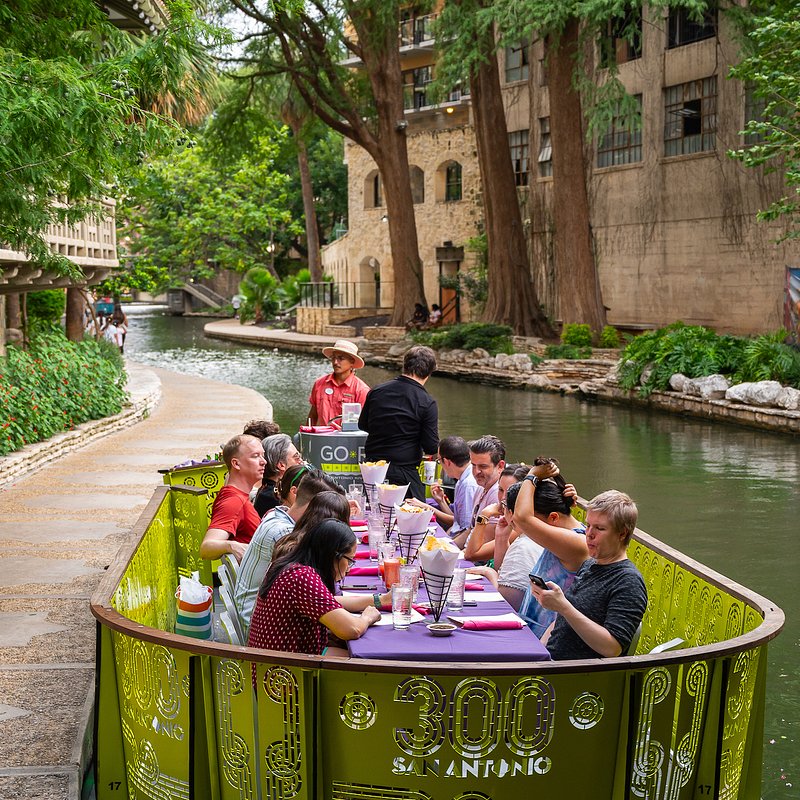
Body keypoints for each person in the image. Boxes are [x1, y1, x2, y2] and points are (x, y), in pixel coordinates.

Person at [535, 490, 648, 660]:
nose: (589, 534)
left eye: (600, 528)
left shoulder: (628, 581)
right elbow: (562, 620)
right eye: (588, 525)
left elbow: (612, 648)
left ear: (622, 533)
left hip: (580, 679)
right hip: (551, 666)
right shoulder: (589, 564)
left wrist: (563, 606)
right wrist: (539, 653)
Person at [247, 519, 381, 655]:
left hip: (271, 660)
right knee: (366, 662)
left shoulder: (289, 565)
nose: (349, 569)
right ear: (333, 555)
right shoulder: (302, 578)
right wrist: (367, 618)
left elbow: (330, 601)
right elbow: (352, 629)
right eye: (350, 560)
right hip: (284, 669)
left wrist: (381, 600)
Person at [235, 478, 346, 633]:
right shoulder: (287, 537)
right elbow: (317, 594)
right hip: (261, 626)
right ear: (317, 510)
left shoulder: (277, 514)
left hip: (256, 616)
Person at [512, 460, 589, 638]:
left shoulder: (577, 543)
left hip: (546, 644)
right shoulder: (564, 535)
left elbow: (522, 517)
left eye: (535, 520)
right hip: (529, 635)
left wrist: (532, 474)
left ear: (553, 517)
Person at [358, 345, 439, 501]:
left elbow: (363, 425)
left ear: (405, 366)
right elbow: (430, 446)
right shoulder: (427, 402)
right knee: (411, 521)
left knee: (373, 516)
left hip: (373, 470)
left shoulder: (377, 391)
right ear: (429, 372)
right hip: (404, 473)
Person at [467, 481, 543, 610]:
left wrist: (490, 573)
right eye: (500, 489)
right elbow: (505, 573)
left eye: (505, 504)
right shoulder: (533, 537)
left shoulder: (523, 544)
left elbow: (507, 605)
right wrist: (501, 538)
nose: (501, 500)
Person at [200, 435, 265, 562]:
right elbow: (206, 548)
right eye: (255, 456)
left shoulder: (238, 495)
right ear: (236, 463)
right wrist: (232, 546)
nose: (264, 461)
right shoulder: (234, 501)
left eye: (263, 455)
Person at [408, 435, 480, 536]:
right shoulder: (462, 479)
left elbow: (465, 530)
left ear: (446, 462)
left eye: (439, 460)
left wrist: (426, 507)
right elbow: (457, 521)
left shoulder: (468, 485)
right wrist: (441, 501)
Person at [450, 435, 505, 555]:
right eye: (473, 465)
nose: (476, 472)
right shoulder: (481, 487)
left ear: (500, 466)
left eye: (483, 466)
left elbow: (485, 542)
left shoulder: (498, 494)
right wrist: (448, 548)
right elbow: (470, 530)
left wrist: (457, 556)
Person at [308, 339, 370, 427]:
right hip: (320, 438)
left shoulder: (361, 390)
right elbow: (312, 416)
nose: (335, 362)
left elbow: (365, 423)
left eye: (341, 358)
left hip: (346, 440)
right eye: (333, 358)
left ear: (352, 362)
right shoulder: (319, 384)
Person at [254, 433, 304, 517]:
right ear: (281, 465)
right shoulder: (272, 496)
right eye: (297, 458)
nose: (301, 462)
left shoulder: (268, 490)